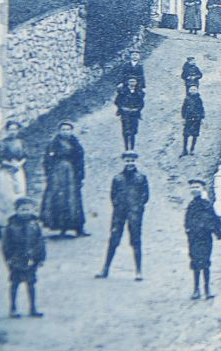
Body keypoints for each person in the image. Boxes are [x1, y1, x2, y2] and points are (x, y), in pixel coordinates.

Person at [96, 152, 150, 281]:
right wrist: (118, 205)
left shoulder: (141, 178)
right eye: (127, 161)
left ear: (135, 162)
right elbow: (113, 195)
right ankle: (105, 269)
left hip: (135, 213)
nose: (130, 163)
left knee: (136, 240)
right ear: (123, 162)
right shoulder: (117, 178)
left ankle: (138, 271)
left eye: (132, 161)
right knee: (114, 239)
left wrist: (137, 207)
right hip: (119, 213)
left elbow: (146, 196)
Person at [3, 196, 47, 319]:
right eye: (22, 209)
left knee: (31, 284)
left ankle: (33, 308)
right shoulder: (11, 226)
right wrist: (9, 258)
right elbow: (6, 245)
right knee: (15, 284)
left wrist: (41, 258)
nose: (26, 212)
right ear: (16, 210)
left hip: (31, 260)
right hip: (16, 260)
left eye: (28, 209)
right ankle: (13, 308)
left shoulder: (35, 225)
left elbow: (40, 243)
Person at [40, 122, 86, 237]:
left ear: (71, 131)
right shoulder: (53, 144)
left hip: (72, 175)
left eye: (68, 129)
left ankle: (78, 227)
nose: (66, 132)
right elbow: (47, 160)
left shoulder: (76, 144)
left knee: (74, 199)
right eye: (63, 129)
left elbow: (80, 162)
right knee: (59, 199)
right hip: (57, 175)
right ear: (59, 131)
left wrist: (80, 176)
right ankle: (61, 227)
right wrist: (49, 174)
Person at [0, 119, 27, 238]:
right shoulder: (1, 143)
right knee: (4, 197)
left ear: (18, 130)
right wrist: (9, 164)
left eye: (15, 129)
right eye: (10, 129)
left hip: (18, 171)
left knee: (18, 196)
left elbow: (25, 156)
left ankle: (18, 224)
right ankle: (1, 224)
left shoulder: (21, 142)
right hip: (5, 172)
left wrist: (19, 164)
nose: (12, 132)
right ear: (6, 130)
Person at [183, 179, 221, 300]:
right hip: (194, 238)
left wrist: (217, 232)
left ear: (202, 189)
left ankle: (207, 289)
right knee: (195, 262)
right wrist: (188, 231)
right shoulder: (191, 205)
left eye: (197, 187)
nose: (195, 189)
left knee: (205, 262)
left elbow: (215, 219)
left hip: (205, 238)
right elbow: (187, 221)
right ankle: (196, 290)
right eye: (192, 187)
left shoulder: (207, 205)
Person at [114, 76, 145, 151]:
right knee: (125, 130)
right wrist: (122, 108)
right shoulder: (123, 91)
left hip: (134, 114)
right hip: (125, 114)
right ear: (127, 82)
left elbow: (141, 103)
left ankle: (132, 148)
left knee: (133, 131)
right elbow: (117, 101)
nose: (132, 83)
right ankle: (126, 148)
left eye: (134, 81)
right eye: (130, 81)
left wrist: (137, 109)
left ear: (136, 83)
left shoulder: (139, 92)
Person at [181, 83, 205, 156]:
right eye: (191, 89)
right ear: (188, 90)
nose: (193, 91)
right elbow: (183, 109)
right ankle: (184, 150)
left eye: (194, 89)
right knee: (186, 135)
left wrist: (202, 118)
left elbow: (202, 109)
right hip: (188, 119)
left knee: (195, 135)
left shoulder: (199, 99)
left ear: (197, 90)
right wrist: (183, 118)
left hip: (197, 119)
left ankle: (192, 149)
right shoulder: (186, 99)